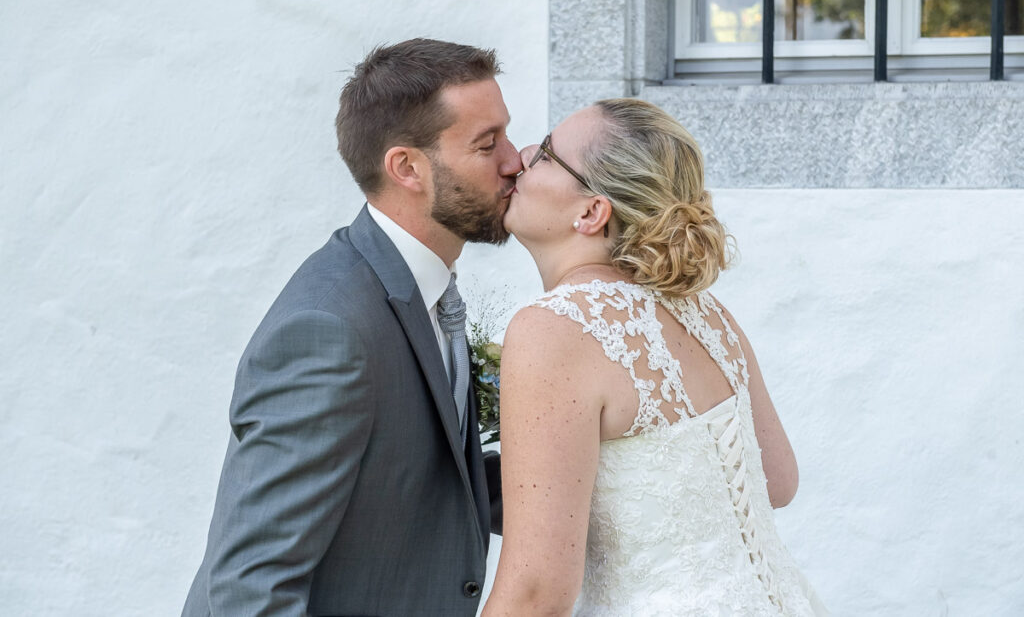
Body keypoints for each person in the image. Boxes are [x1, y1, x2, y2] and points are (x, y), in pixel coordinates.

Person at [182, 38, 520, 617]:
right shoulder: (328, 331)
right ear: (407, 168)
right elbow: (249, 585)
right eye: (487, 144)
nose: (514, 160)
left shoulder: (422, 284)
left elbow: (428, 480)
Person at [482, 98, 828, 616]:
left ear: (591, 212)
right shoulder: (704, 312)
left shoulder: (554, 329)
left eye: (549, 154)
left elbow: (536, 592)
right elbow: (776, 480)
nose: (524, 155)